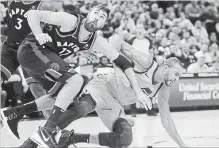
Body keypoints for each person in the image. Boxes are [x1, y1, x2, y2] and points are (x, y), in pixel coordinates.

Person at [1, 5, 151, 148]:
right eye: (96, 13)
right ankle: (48, 131)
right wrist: (39, 33)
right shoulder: (71, 21)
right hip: (31, 49)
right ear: (88, 14)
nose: (97, 17)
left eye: (102, 17)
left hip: (40, 59)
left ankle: (15, 113)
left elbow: (123, 62)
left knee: (68, 95)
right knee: (76, 80)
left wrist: (138, 92)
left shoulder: (94, 41)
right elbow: (34, 14)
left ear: (103, 24)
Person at [20, 34, 187, 148]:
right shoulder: (146, 62)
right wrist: (118, 67)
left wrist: (182, 145)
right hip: (102, 87)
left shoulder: (164, 87)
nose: (176, 78)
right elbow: (115, 39)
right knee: (82, 108)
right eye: (176, 73)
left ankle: (69, 138)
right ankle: (33, 142)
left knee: (125, 139)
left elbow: (166, 119)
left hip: (115, 105)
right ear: (166, 67)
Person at [0, 0, 55, 130]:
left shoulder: (44, 4)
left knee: (38, 91)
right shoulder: (12, 1)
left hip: (31, 51)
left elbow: (52, 30)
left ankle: (52, 130)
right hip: (10, 49)